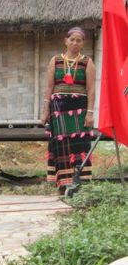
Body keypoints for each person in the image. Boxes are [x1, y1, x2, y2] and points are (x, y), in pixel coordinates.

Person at [42, 27, 96, 194]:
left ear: (83, 43)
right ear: (65, 41)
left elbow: (91, 89)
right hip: (58, 110)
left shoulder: (87, 62)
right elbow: (50, 87)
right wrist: (45, 111)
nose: (74, 43)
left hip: (79, 110)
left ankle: (80, 184)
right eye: (72, 39)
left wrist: (90, 113)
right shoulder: (55, 60)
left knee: (79, 145)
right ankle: (62, 184)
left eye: (78, 40)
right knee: (60, 145)